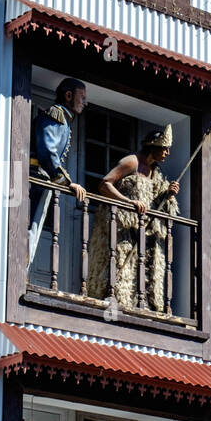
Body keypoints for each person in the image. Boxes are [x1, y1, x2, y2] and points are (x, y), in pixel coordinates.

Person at [85, 125, 181, 313]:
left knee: (141, 270)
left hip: (142, 233)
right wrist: (129, 202)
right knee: (121, 266)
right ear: (152, 145)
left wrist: (168, 194)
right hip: (122, 230)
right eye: (164, 147)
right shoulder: (132, 162)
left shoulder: (156, 173)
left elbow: (156, 203)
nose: (167, 153)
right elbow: (105, 184)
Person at [29, 78, 88, 257]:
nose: (85, 102)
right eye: (82, 97)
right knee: (28, 228)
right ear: (68, 95)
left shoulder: (64, 120)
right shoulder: (56, 115)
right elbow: (48, 151)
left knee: (32, 229)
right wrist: (67, 182)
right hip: (36, 179)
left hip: (41, 180)